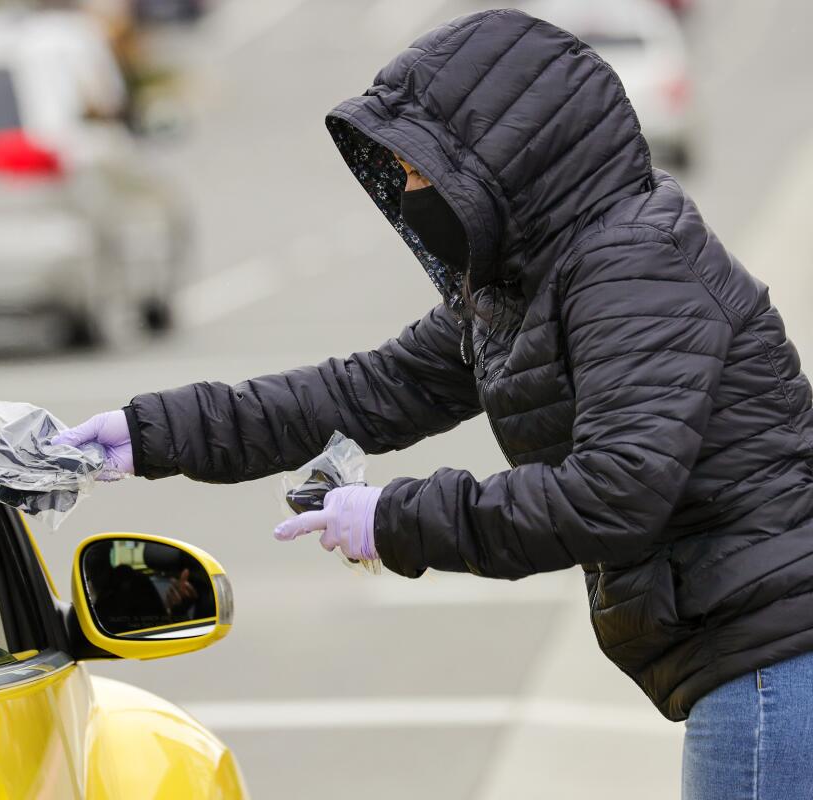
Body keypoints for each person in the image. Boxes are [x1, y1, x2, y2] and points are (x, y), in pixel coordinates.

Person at [52, 9, 813, 797]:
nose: (411, 192)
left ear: (505, 162)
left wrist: (395, 519)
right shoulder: (528, 282)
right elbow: (365, 390)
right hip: (752, 652)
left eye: (423, 171)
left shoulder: (631, 265)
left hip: (774, 659)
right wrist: (150, 435)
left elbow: (616, 492)